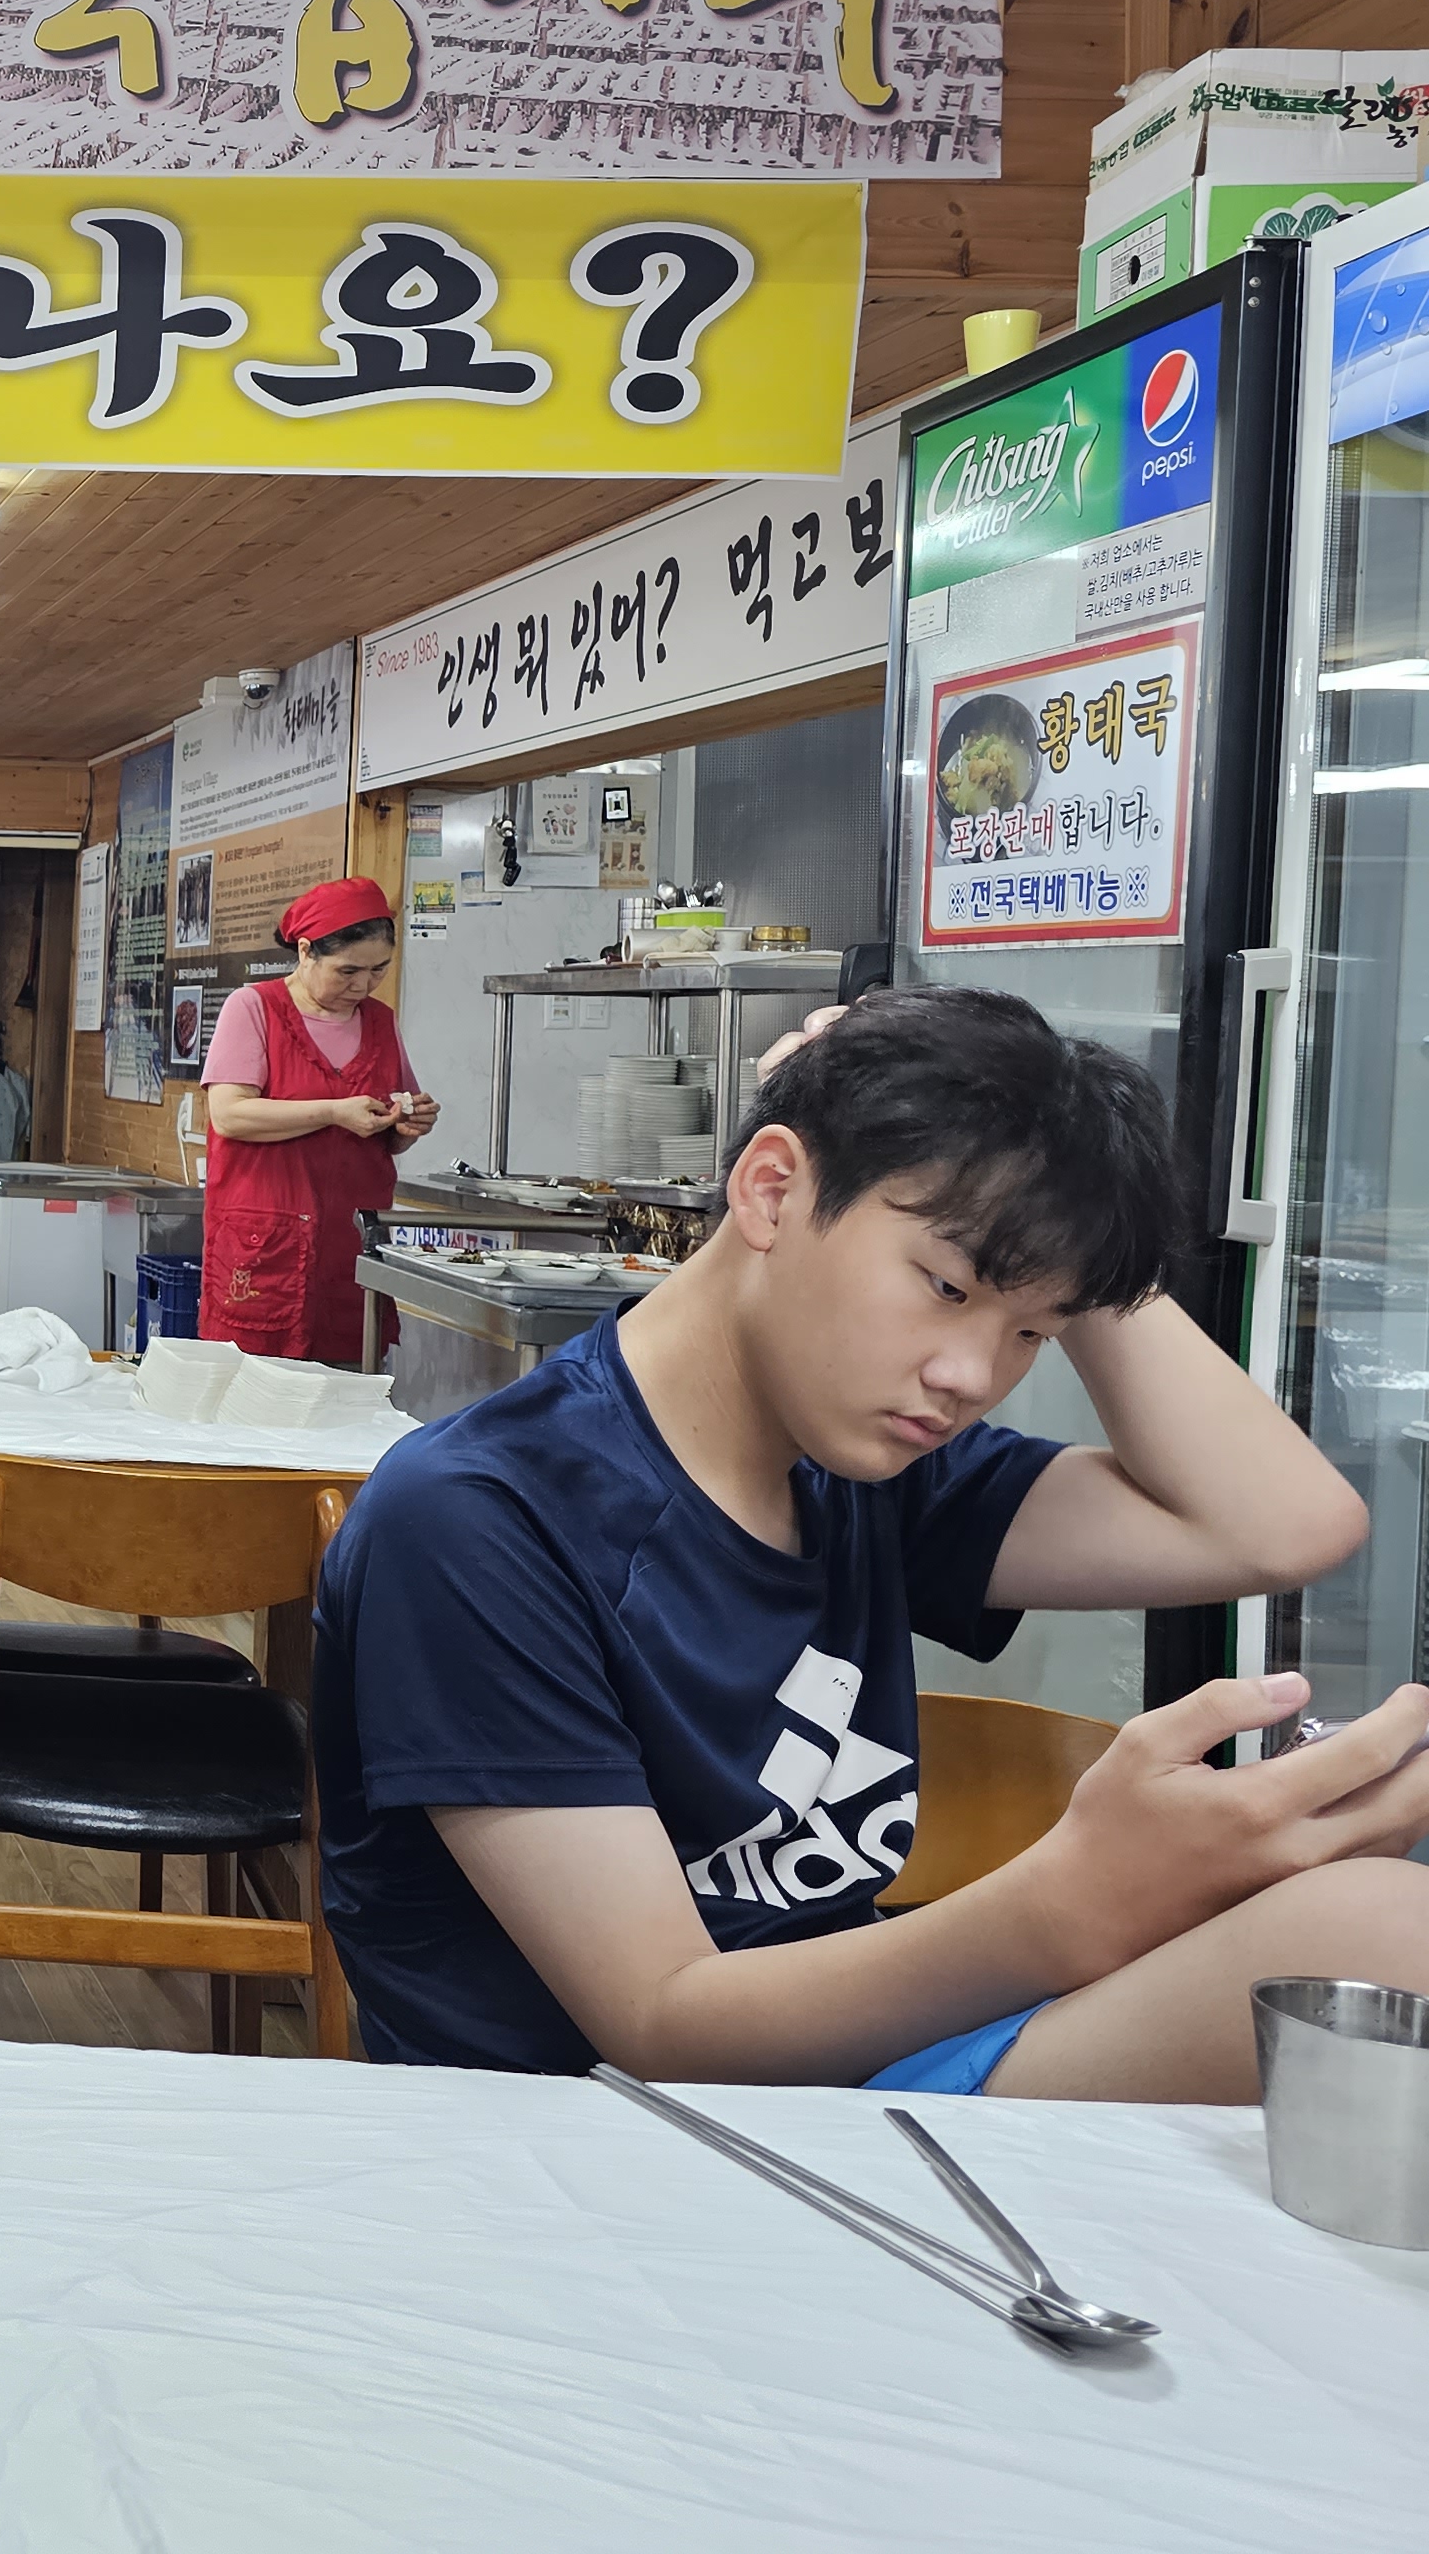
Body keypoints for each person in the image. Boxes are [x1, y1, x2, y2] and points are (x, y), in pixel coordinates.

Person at [315, 986, 1429, 2099]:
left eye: (1030, 1331)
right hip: (615, 2134)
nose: (972, 1376)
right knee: (1381, 1934)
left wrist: (1064, 1229)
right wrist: (1079, 1900)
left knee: (1384, 1935)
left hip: (848, 2074)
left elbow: (1281, 1525)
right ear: (771, 1189)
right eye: (945, 1286)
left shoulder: (867, 1464)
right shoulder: (477, 1517)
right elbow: (662, 2026)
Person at [198, 878, 435, 1365]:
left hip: (350, 1245)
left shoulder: (380, 1021)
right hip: (264, 1245)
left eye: (378, 969)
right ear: (306, 952)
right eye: (347, 970)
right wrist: (333, 1111)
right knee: (253, 1384)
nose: (362, 985)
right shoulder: (255, 1008)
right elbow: (230, 1114)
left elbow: (385, 1136)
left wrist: (405, 1126)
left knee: (349, 1382)